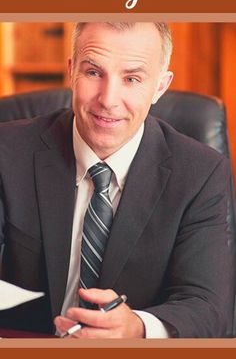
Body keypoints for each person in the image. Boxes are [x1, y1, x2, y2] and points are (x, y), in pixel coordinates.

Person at [0, 22, 233, 338]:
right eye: (94, 73)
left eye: (132, 79)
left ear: (160, 87)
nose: (108, 100)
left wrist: (137, 328)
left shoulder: (200, 173)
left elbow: (207, 306)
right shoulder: (7, 152)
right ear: (72, 72)